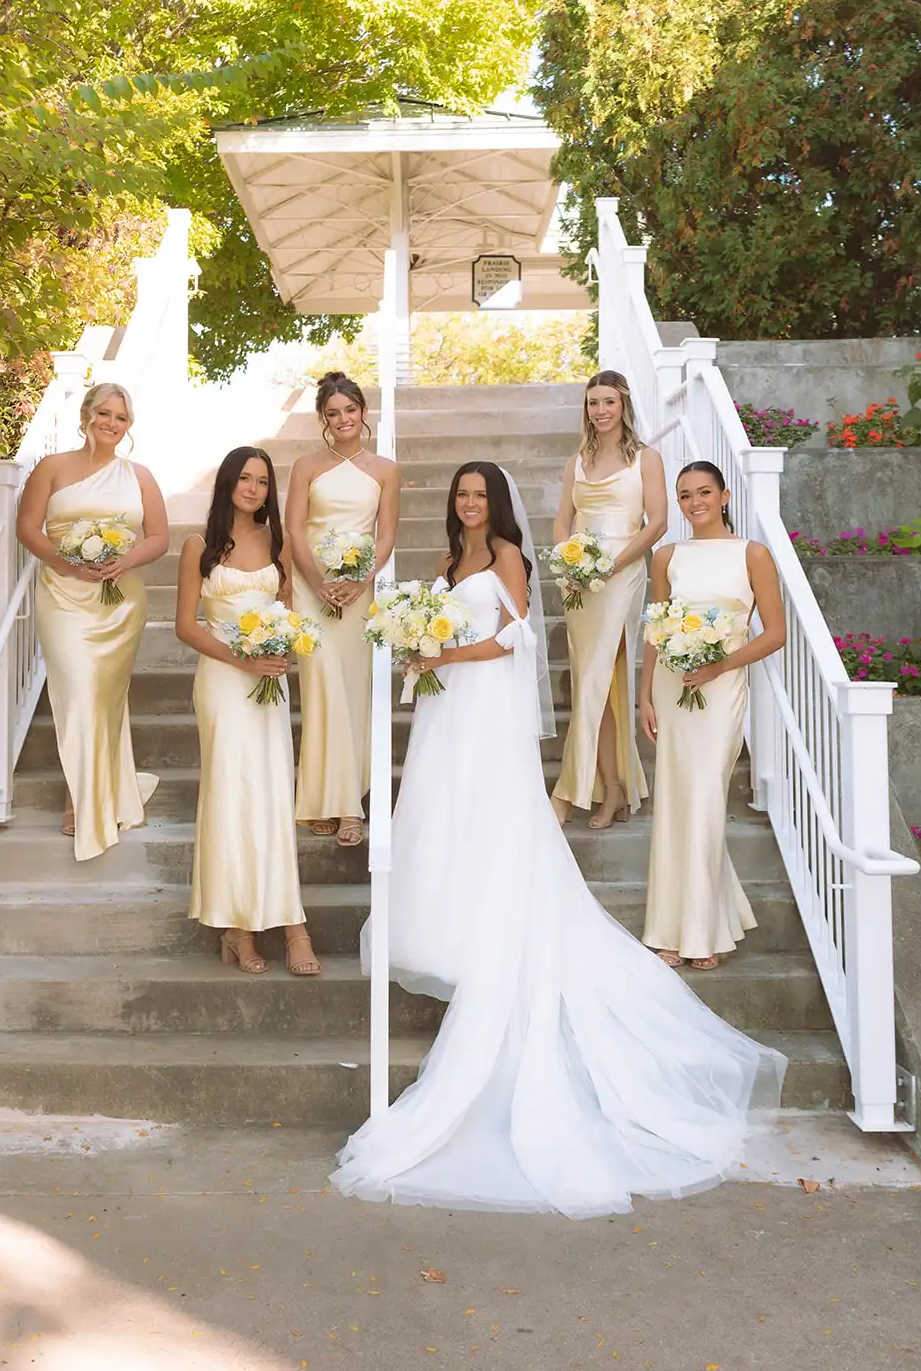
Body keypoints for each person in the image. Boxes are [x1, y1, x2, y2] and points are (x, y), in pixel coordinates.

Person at [331, 460, 785, 1220]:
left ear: (495, 503)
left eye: (479, 494)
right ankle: (452, 920)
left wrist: (439, 652)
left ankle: (507, 924)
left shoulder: (508, 554)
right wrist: (418, 643)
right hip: (446, 709)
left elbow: (511, 637)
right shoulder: (447, 561)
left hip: (480, 706)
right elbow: (449, 624)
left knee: (490, 813)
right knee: (443, 813)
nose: (469, 503)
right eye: (461, 495)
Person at [175, 447, 320, 977]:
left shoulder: (276, 543)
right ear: (227, 483)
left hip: (270, 682)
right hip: (222, 679)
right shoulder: (199, 546)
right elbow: (186, 626)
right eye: (244, 478)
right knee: (231, 794)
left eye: (262, 481)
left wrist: (281, 646)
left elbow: (286, 611)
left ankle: (291, 923)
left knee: (274, 793)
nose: (253, 488)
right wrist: (243, 658)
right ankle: (237, 928)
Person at [641, 462, 786, 970]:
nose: (694, 501)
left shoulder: (753, 554)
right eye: (684, 495)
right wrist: (645, 697)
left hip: (722, 687)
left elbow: (774, 633)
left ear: (724, 495)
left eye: (704, 492)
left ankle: (700, 933)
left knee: (704, 798)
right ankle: (673, 929)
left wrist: (719, 665)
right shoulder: (665, 556)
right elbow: (654, 630)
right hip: (673, 687)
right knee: (677, 803)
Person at [17, 382, 167, 860]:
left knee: (103, 698)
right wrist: (67, 563)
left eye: (120, 418)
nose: (111, 423)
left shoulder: (139, 475)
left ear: (129, 426)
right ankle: (81, 793)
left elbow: (159, 537)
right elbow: (27, 527)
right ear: (86, 415)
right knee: (78, 688)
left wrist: (124, 561)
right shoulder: (52, 467)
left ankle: (87, 792)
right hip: (62, 593)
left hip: (119, 599)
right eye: (103, 413)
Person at [285, 372, 400, 847]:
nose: (342, 419)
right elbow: (293, 529)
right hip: (312, 587)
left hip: (358, 593)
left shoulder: (385, 471)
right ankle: (323, 797)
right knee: (320, 687)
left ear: (363, 412)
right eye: (332, 413)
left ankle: (348, 802)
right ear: (323, 419)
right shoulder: (306, 466)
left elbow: (386, 535)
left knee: (353, 692)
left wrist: (359, 582)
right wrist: (319, 582)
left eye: (349, 410)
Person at [551, 371, 667, 830]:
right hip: (580, 582)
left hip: (622, 573)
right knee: (592, 681)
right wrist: (570, 564)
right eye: (592, 403)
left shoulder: (646, 459)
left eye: (608, 402)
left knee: (599, 676)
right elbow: (563, 521)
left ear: (623, 406)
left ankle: (568, 793)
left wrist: (610, 565)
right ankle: (613, 789)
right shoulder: (576, 461)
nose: (599, 411)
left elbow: (656, 522)